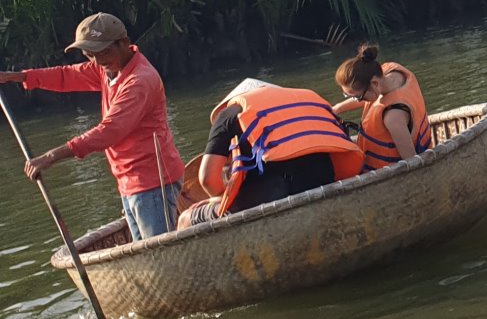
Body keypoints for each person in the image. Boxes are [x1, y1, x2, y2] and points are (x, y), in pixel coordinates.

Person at [0, 13, 184, 242]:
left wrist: (51, 156)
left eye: (104, 52)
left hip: (152, 181)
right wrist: (18, 77)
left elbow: (109, 131)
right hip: (129, 182)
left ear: (124, 43)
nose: (97, 61)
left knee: (160, 255)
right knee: (147, 252)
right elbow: (66, 76)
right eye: (90, 54)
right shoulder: (108, 69)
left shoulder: (139, 81)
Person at [179, 78, 365, 226]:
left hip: (274, 193)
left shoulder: (229, 114)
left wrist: (217, 200)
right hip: (325, 179)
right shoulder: (306, 97)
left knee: (186, 218)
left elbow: (207, 179)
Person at [332, 44, 430, 168]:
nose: (356, 100)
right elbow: (372, 97)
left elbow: (412, 161)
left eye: (357, 97)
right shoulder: (390, 71)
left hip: (386, 175)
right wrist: (337, 108)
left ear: (374, 83)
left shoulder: (393, 116)